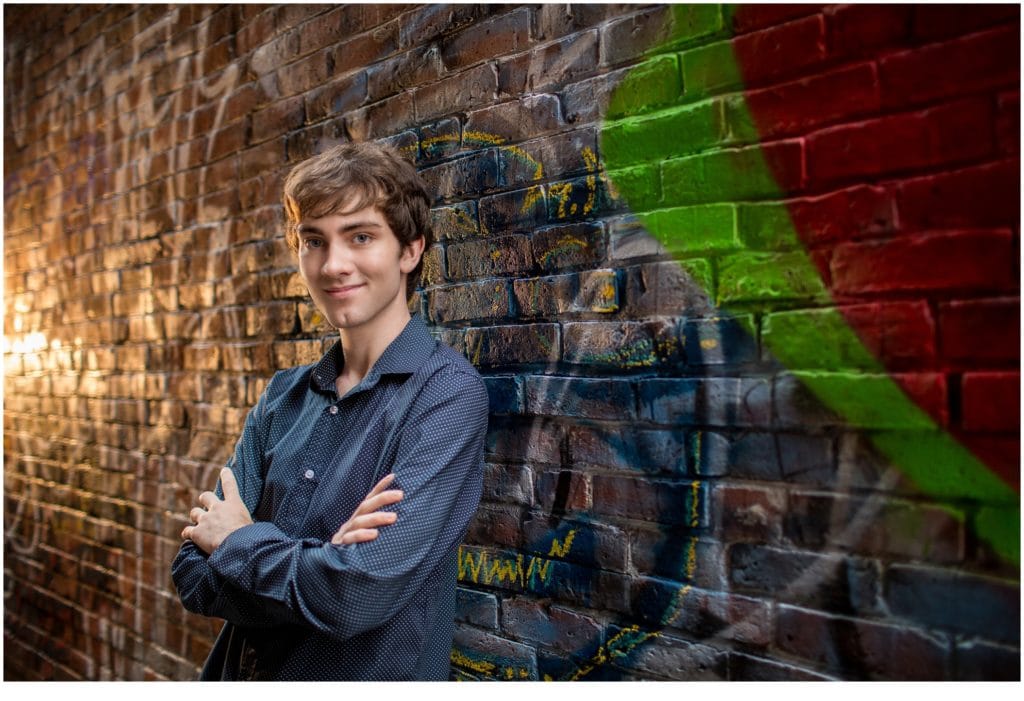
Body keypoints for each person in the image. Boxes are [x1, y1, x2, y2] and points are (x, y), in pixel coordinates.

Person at [171, 142, 488, 681]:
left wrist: (239, 543)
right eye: (313, 241)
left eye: (360, 237)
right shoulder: (283, 395)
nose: (333, 264)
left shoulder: (447, 394)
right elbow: (193, 577)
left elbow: (354, 596)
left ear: (410, 251)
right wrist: (319, 560)